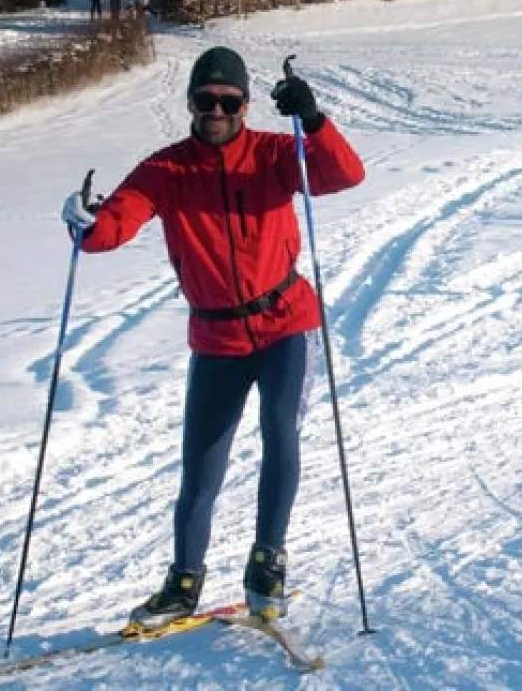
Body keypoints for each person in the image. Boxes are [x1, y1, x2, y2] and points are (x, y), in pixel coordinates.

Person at [60, 46, 366, 627]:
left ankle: (267, 562)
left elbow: (344, 174)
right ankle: (183, 582)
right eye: (206, 101)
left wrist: (315, 120)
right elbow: (113, 225)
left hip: (286, 326)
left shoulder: (278, 155)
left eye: (229, 102)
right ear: (192, 104)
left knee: (281, 434)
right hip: (218, 337)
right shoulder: (167, 171)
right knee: (200, 466)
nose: (217, 112)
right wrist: (85, 222)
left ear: (246, 106)